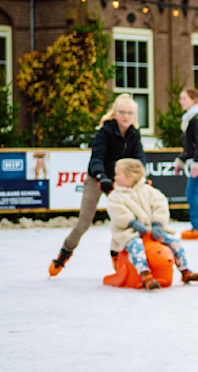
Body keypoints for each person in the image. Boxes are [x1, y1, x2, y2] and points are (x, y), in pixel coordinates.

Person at [49, 94, 146, 276]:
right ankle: (65, 253)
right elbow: (97, 159)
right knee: (84, 223)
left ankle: (116, 255)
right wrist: (102, 177)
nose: (126, 116)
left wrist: (142, 176)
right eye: (122, 112)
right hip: (97, 179)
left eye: (130, 113)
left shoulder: (134, 134)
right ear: (115, 114)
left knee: (123, 220)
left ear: (135, 116)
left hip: (119, 181)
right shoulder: (105, 132)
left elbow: (139, 158)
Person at [106, 158, 198, 291]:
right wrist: (132, 223)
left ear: (130, 176)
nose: (115, 177)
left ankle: (185, 271)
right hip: (130, 232)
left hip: (152, 230)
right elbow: (117, 212)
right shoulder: (115, 196)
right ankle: (145, 274)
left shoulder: (149, 191)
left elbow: (160, 205)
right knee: (136, 247)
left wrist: (157, 224)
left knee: (174, 243)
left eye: (118, 174)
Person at [173, 87, 198, 240]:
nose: (181, 102)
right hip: (197, 159)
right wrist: (182, 160)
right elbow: (191, 144)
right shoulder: (191, 118)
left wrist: (197, 163)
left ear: (194, 100)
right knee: (194, 192)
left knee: (192, 192)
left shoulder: (197, 118)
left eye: (184, 98)